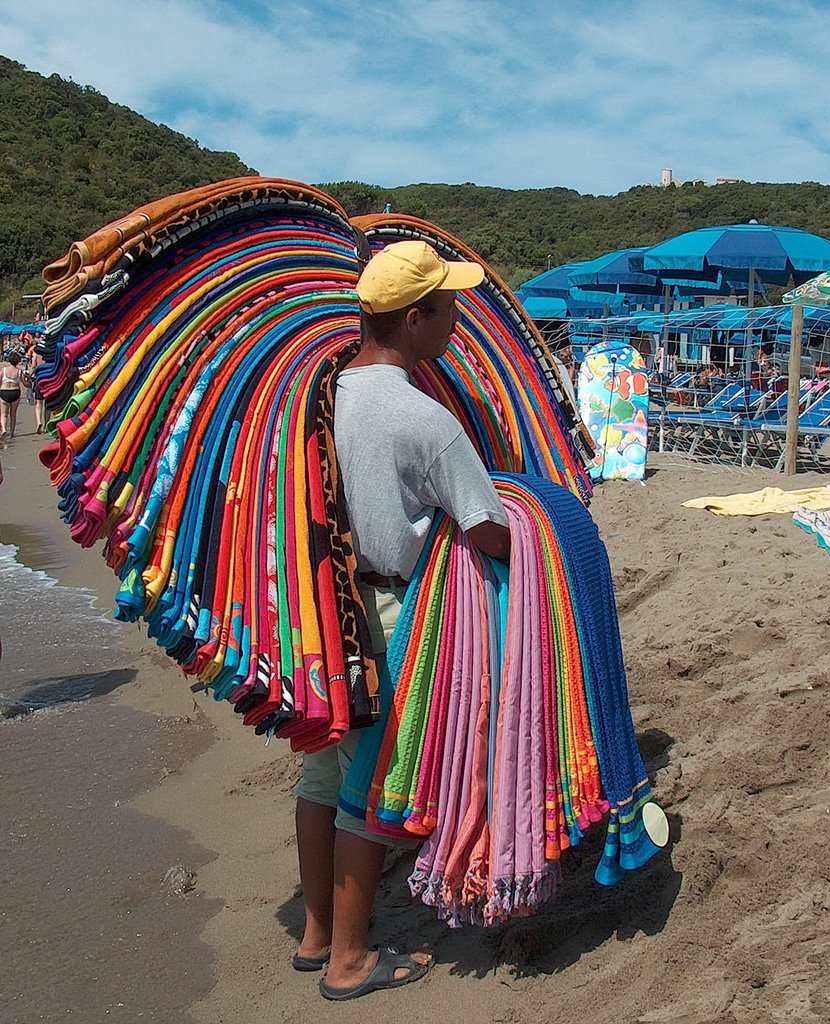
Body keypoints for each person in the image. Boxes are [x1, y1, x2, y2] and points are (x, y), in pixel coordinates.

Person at [293, 241, 510, 1001]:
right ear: (415, 319)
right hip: (386, 611)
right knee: (371, 777)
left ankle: (317, 933)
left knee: (322, 769)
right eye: (448, 309)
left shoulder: (324, 392)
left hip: (321, 610)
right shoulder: (425, 420)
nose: (456, 322)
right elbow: (486, 525)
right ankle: (351, 960)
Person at [0, 352, 23, 441]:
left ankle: (4, 429)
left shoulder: (4, 370)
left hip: (4, 391)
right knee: (13, 414)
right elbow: (25, 383)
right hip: (15, 392)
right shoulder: (19, 371)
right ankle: (12, 433)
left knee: (3, 414)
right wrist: (29, 382)